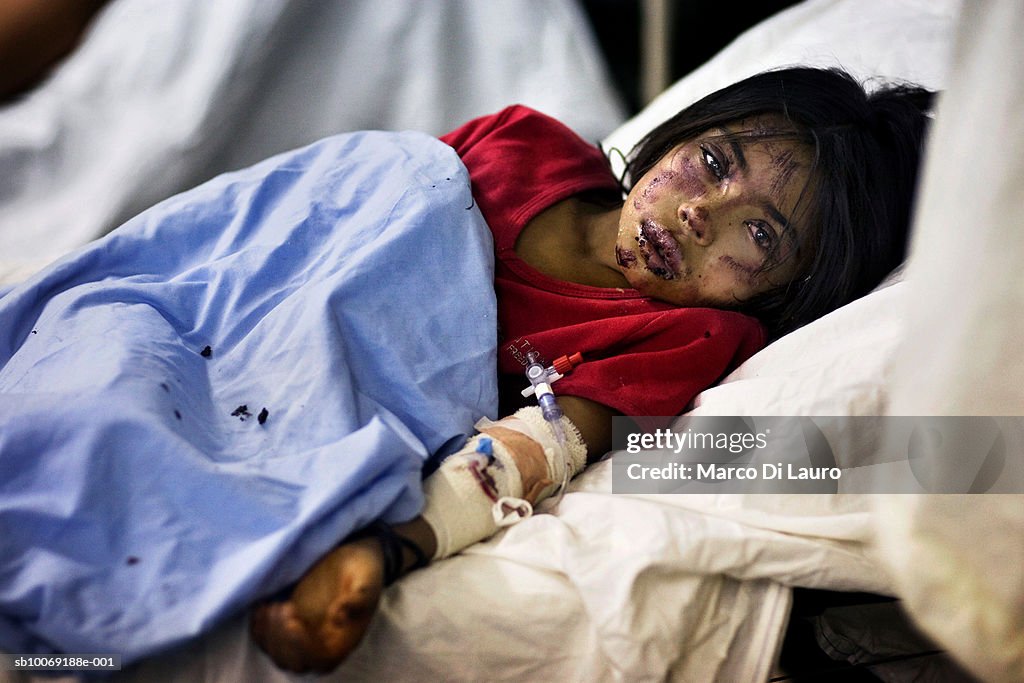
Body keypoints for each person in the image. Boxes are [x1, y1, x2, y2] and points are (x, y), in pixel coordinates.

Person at [247, 66, 935, 673]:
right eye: (716, 162)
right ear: (680, 133)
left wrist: (387, 550)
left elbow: (534, 451)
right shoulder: (521, 142)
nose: (700, 213)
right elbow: (337, 215)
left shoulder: (685, 332)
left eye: (760, 235)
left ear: (787, 289)